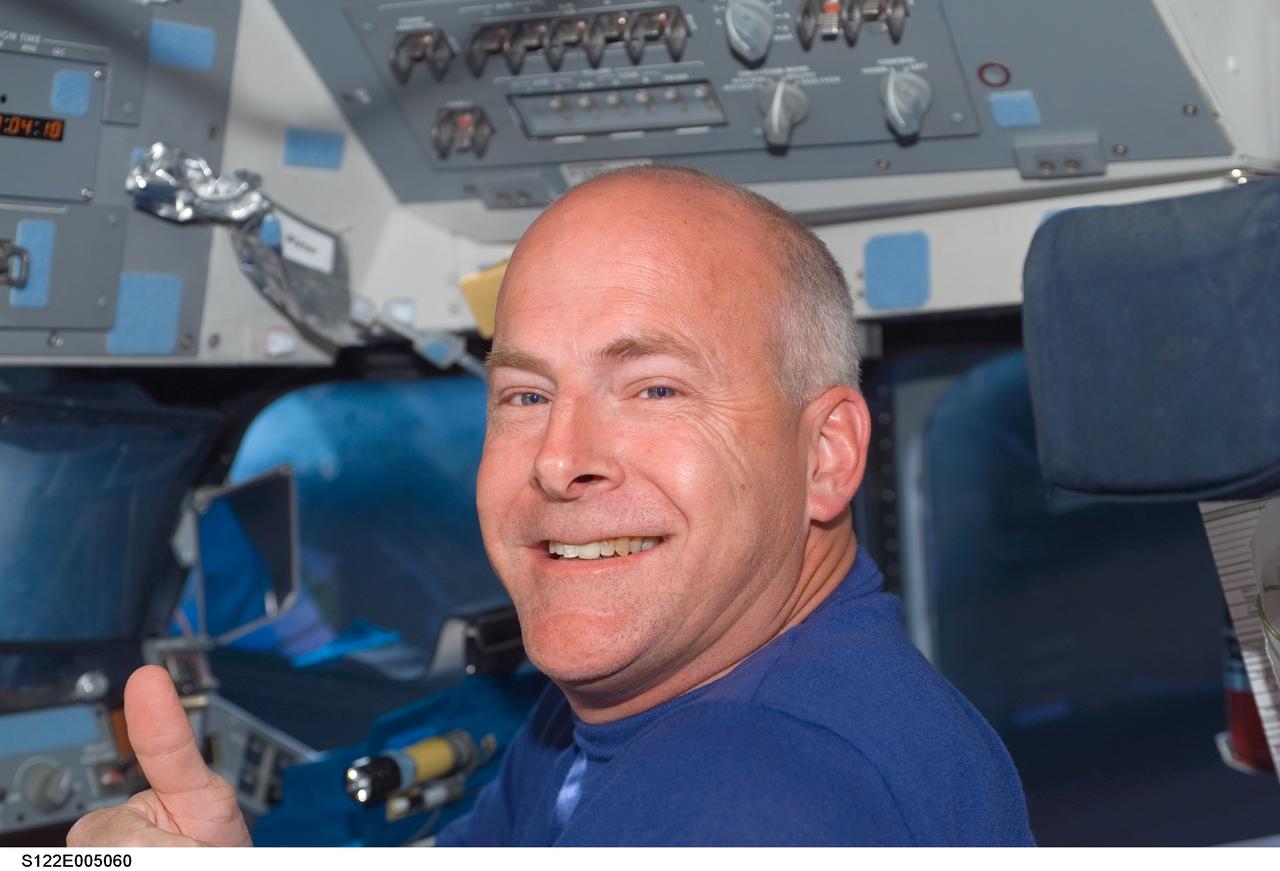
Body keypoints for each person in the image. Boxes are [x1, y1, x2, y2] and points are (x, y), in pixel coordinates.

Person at [68, 167, 1034, 847]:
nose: (560, 460)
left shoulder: (752, 793)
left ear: (826, 456)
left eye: (654, 389)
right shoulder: (620, 710)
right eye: (526, 397)